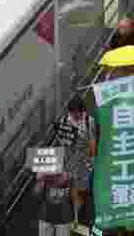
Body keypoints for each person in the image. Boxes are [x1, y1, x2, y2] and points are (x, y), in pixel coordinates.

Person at [53, 94, 96, 230]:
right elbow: (62, 143)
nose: (75, 115)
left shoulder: (89, 121)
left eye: (78, 112)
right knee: (74, 191)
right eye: (72, 112)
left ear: (82, 110)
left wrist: (92, 157)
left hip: (85, 162)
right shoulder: (65, 121)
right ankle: (76, 219)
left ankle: (79, 214)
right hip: (70, 162)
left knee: (82, 191)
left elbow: (92, 141)